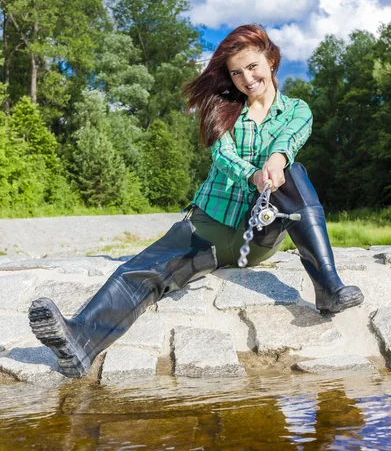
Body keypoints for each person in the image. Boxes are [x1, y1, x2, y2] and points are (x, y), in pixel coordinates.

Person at [28, 24, 364, 379]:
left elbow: (289, 141)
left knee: (294, 172)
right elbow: (224, 157)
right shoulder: (223, 108)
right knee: (142, 268)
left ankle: (329, 288)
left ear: (271, 60)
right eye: (236, 72)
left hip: (261, 229)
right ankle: (80, 340)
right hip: (208, 226)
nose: (246, 78)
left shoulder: (298, 110)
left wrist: (276, 161)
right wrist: (253, 174)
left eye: (252, 67)